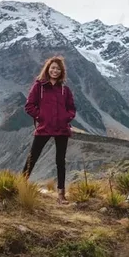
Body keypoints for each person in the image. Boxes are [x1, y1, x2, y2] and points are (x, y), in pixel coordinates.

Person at [23, 56, 77, 205]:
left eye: (58, 69)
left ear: (61, 72)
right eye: (53, 68)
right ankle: (20, 186)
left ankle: (61, 195)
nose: (55, 71)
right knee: (32, 157)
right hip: (44, 127)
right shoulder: (38, 87)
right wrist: (40, 116)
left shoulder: (65, 90)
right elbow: (29, 106)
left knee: (60, 161)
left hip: (62, 129)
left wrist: (67, 117)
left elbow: (72, 108)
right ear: (47, 68)